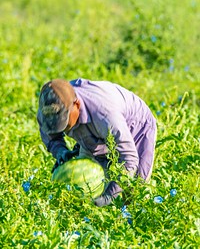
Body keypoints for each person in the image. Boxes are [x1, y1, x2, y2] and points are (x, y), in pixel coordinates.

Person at [37, 78, 157, 206]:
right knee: (85, 186)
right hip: (95, 125)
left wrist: (108, 196)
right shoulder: (48, 109)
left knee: (135, 191)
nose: (64, 128)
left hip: (136, 125)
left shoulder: (105, 114)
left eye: (65, 123)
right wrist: (60, 151)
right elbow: (51, 136)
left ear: (76, 105)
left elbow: (129, 159)